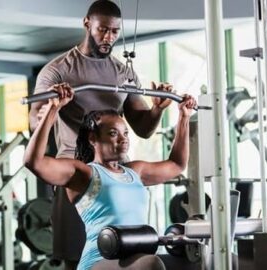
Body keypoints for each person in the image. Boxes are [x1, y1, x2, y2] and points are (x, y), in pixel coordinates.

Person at [29, 0, 173, 268]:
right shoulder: (58, 70)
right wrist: (49, 109)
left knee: (128, 254)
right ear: (87, 24)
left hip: (117, 177)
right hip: (77, 175)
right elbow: (34, 121)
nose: (109, 38)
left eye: (115, 32)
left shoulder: (123, 72)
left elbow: (142, 127)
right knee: (79, 258)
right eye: (102, 30)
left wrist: (156, 110)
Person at [24, 85, 196, 269]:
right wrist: (53, 109)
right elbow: (34, 162)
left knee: (196, 263)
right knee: (151, 264)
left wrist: (184, 116)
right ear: (92, 138)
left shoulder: (135, 172)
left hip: (136, 260)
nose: (123, 139)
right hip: (98, 262)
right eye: (113, 133)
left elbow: (177, 165)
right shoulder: (83, 174)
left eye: (125, 133)